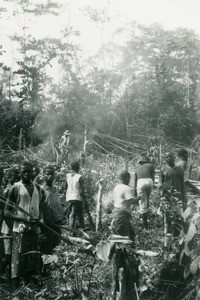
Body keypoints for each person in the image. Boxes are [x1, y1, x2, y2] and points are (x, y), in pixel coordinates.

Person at [4, 162, 42, 291]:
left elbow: (40, 208)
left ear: (33, 172)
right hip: (20, 230)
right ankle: (15, 290)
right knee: (17, 259)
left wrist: (39, 219)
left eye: (29, 171)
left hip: (34, 230)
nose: (26, 174)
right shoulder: (15, 188)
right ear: (20, 173)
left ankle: (27, 287)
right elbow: (7, 212)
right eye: (24, 171)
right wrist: (24, 218)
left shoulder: (37, 187)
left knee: (31, 258)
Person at [39, 165, 65, 255]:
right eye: (48, 174)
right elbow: (39, 207)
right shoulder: (41, 190)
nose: (50, 176)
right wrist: (43, 221)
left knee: (56, 246)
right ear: (43, 175)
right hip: (47, 224)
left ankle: (52, 267)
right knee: (46, 248)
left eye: (52, 174)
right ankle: (43, 268)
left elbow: (57, 204)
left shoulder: (55, 188)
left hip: (57, 222)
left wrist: (61, 217)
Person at [0, 167, 20, 279]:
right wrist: (12, 227)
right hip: (8, 226)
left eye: (18, 177)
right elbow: (5, 212)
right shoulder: (7, 191)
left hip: (14, 224)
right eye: (14, 178)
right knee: (7, 255)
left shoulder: (16, 189)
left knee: (12, 254)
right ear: (8, 178)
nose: (16, 179)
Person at [160, 152, 186, 236]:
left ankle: (175, 237)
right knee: (167, 218)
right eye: (167, 157)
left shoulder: (179, 170)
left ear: (173, 157)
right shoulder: (163, 170)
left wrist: (184, 198)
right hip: (167, 197)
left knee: (178, 218)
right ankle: (166, 239)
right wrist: (162, 195)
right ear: (165, 159)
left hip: (177, 197)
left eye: (170, 157)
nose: (168, 158)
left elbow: (182, 185)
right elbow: (160, 184)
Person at [111, 171, 141, 242]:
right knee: (123, 236)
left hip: (116, 212)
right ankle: (124, 251)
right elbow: (131, 201)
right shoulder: (126, 188)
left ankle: (128, 249)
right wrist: (139, 197)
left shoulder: (117, 187)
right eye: (129, 178)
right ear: (127, 178)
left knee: (128, 233)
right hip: (122, 214)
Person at [134, 154, 155, 229]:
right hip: (149, 181)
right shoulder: (151, 166)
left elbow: (135, 183)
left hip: (140, 182)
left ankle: (145, 227)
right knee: (147, 199)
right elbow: (153, 177)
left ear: (141, 163)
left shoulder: (137, 169)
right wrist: (152, 183)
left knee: (142, 203)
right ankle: (146, 217)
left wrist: (135, 193)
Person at [64, 161, 85, 229]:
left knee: (72, 214)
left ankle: (72, 230)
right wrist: (84, 200)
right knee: (79, 215)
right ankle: (77, 229)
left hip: (69, 198)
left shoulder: (67, 176)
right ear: (78, 168)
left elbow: (65, 187)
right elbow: (81, 191)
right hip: (77, 198)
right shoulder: (80, 177)